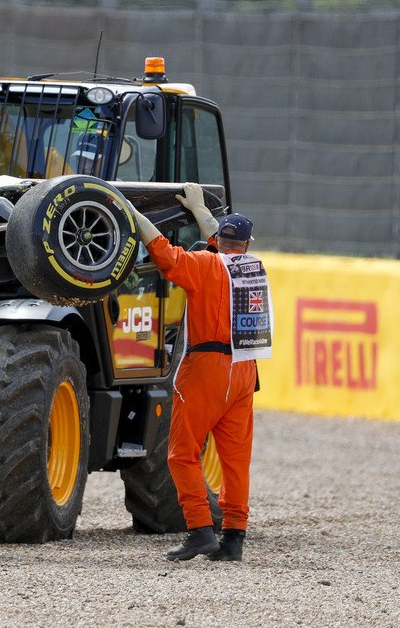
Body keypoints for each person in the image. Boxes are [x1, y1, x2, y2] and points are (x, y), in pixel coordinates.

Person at [128, 183, 273, 562]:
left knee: (182, 454)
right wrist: (199, 210)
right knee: (235, 461)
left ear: (218, 241)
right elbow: (223, 245)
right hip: (245, 369)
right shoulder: (254, 268)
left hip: (206, 369)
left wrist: (133, 213)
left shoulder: (203, 265)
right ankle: (234, 539)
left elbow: (163, 251)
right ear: (247, 244)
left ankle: (199, 531)